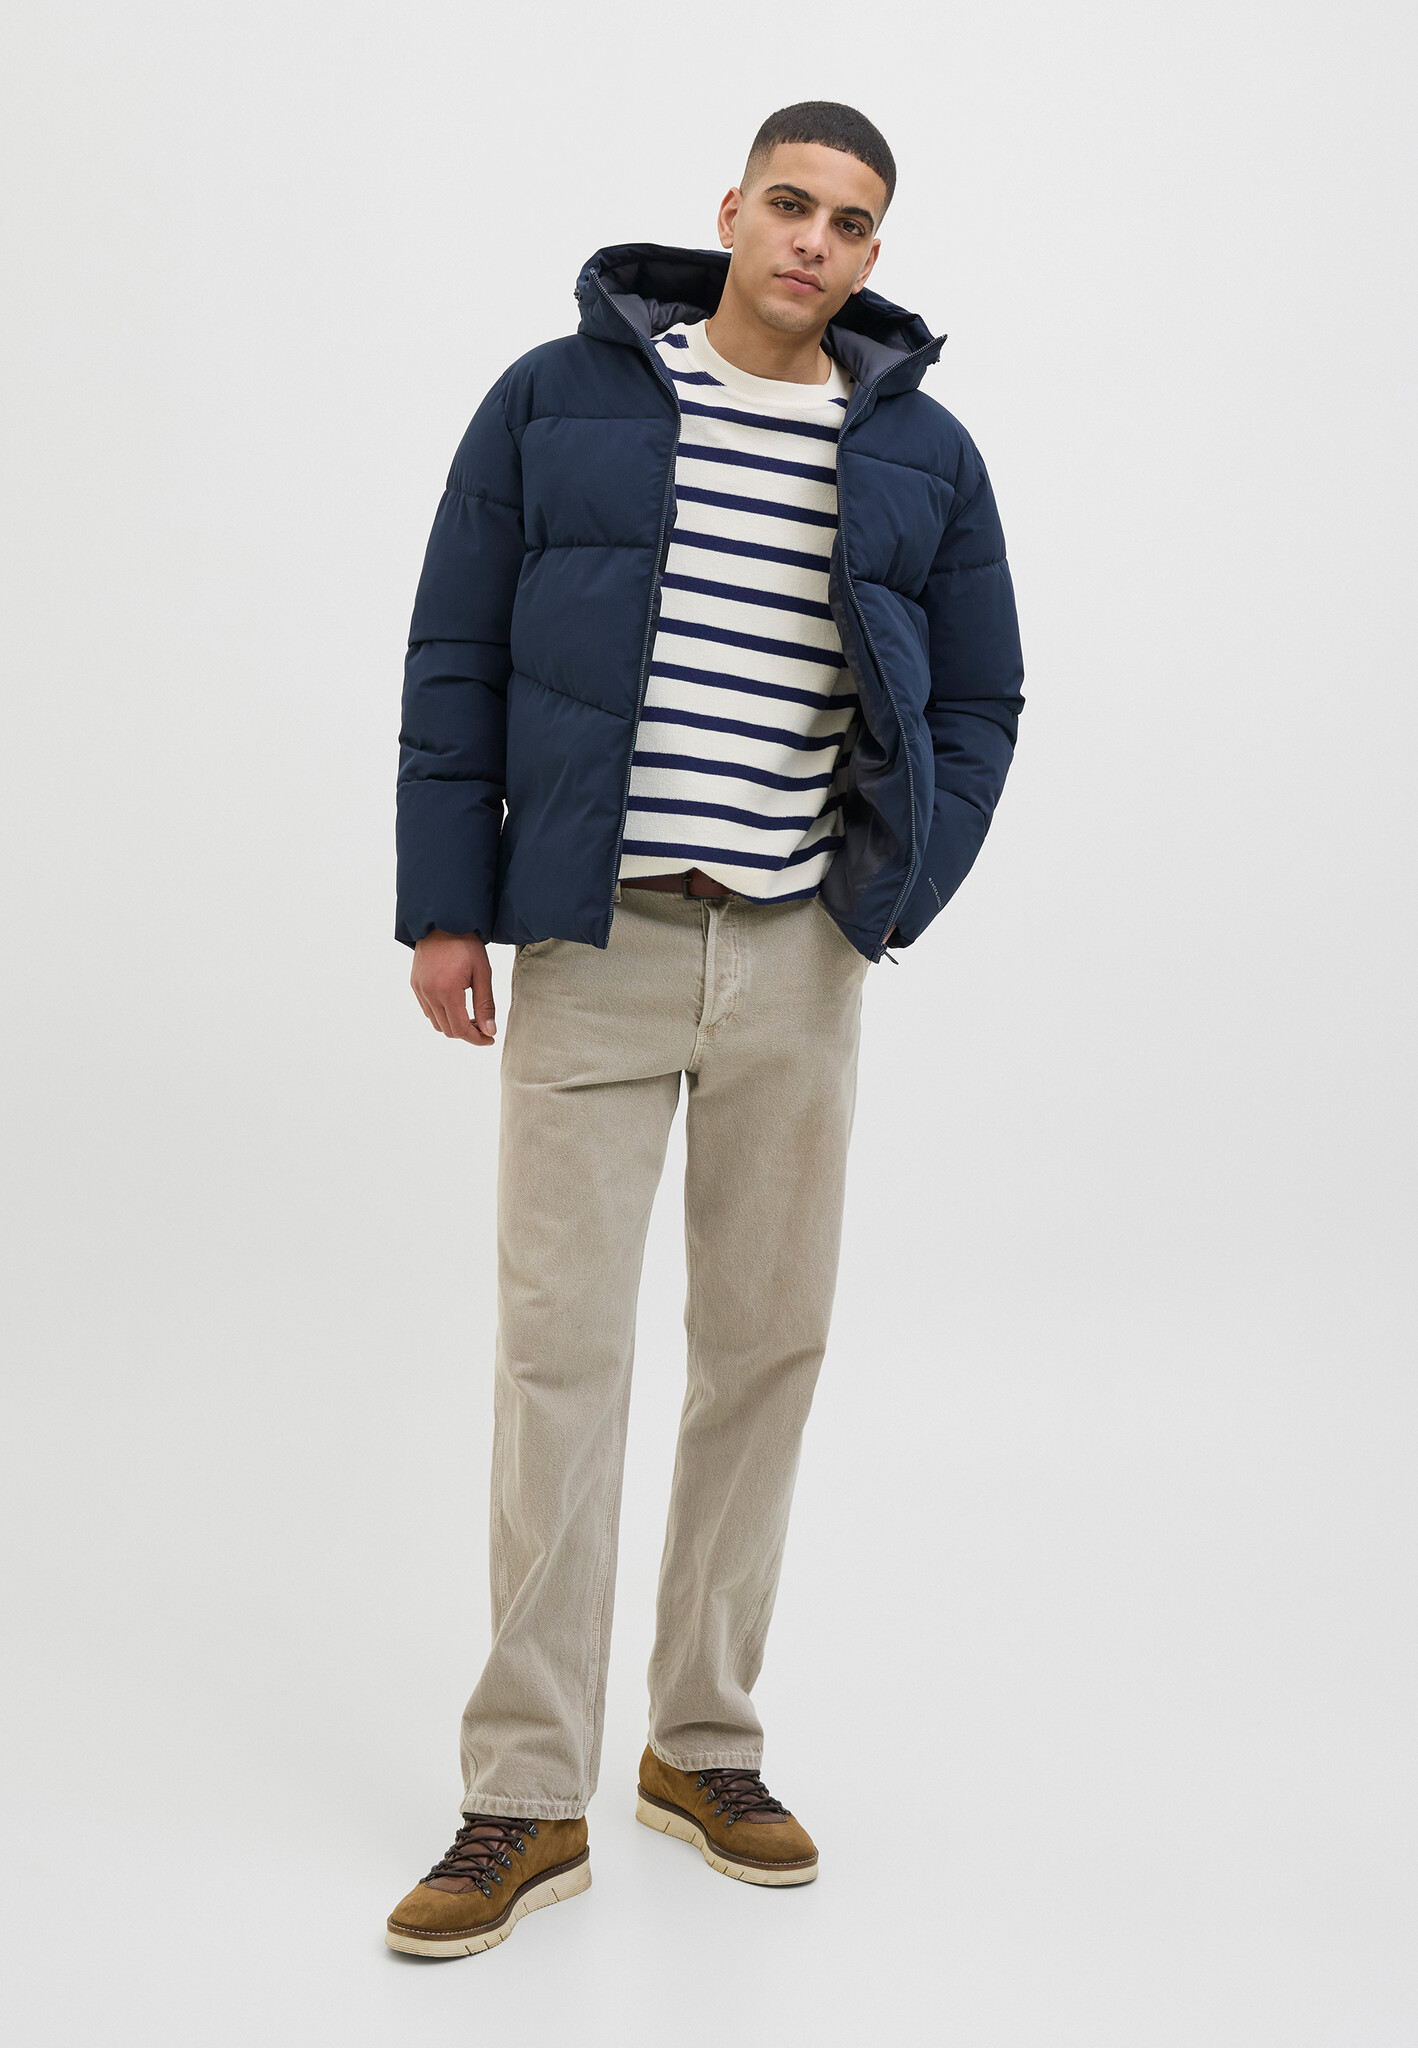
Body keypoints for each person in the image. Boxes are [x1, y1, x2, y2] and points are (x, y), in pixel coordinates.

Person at [385, 99, 1025, 1957]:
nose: (814, 240)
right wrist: (446, 902)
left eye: (852, 222)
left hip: (797, 957)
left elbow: (982, 696)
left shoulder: (921, 452)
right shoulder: (555, 398)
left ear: (876, 252)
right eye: (790, 204)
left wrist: (886, 895)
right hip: (591, 944)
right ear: (731, 209)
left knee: (763, 1351)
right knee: (557, 1362)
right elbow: (454, 652)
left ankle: (700, 1744)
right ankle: (524, 1792)